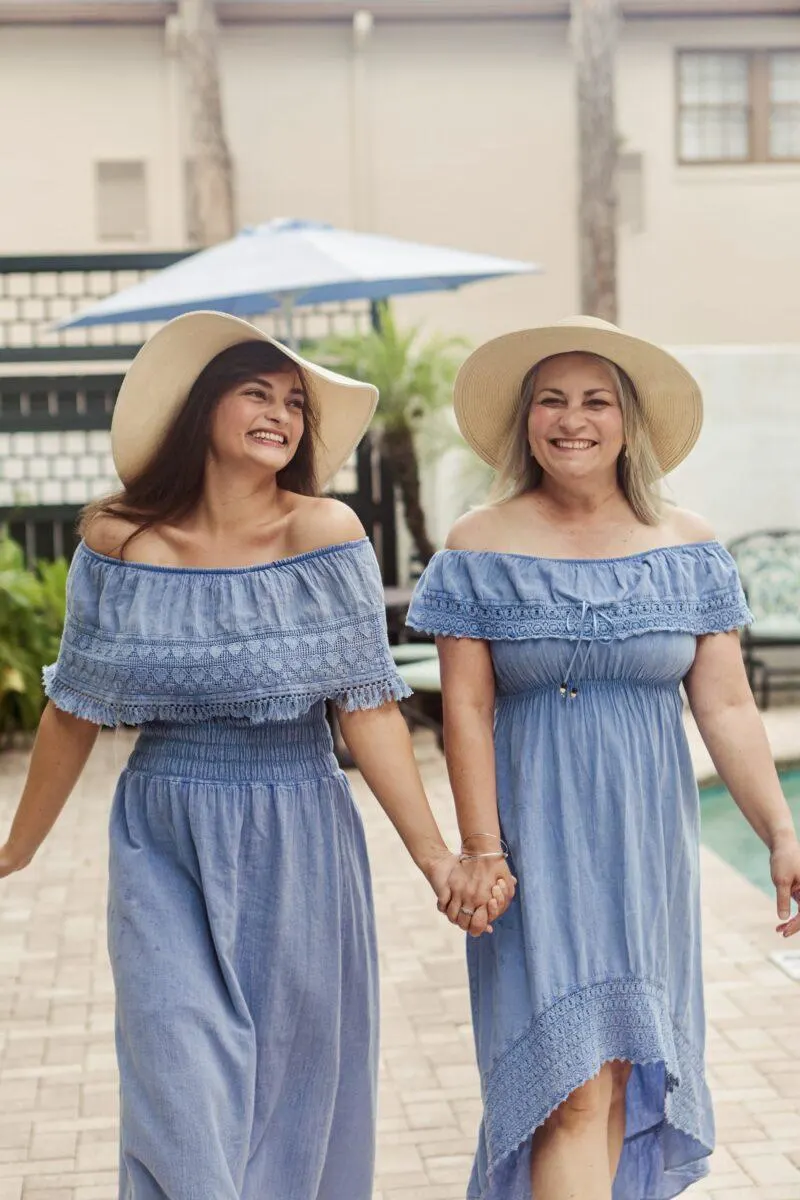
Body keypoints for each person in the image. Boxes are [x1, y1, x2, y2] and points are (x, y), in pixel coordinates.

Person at [0, 311, 514, 1200]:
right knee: (179, 1085)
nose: (280, 413)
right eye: (255, 392)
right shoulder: (117, 543)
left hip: (300, 826)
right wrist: (17, 848)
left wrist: (440, 860)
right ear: (203, 409)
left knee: (294, 1094)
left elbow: (369, 709)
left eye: (293, 403)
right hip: (162, 833)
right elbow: (71, 712)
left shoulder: (327, 535)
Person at [406, 315, 800, 1200]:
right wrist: (483, 849)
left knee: (622, 1076)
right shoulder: (479, 545)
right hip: (534, 844)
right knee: (572, 1090)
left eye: (596, 401)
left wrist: (781, 829)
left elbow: (728, 704)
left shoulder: (688, 545)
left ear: (630, 424)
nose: (571, 419)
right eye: (551, 400)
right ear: (525, 421)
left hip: (648, 843)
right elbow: (464, 710)